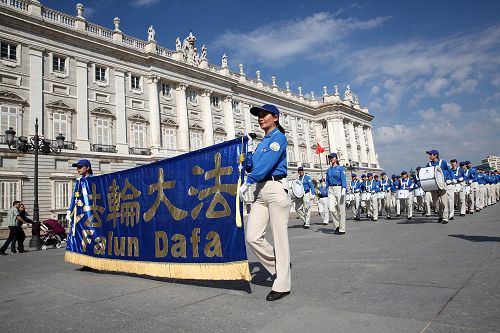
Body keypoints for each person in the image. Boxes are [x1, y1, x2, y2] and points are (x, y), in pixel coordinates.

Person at [239, 103, 291, 302]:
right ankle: (281, 265)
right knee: (252, 236)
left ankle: (282, 284)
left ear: (275, 117)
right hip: (260, 191)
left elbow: (267, 165)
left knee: (279, 238)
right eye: (258, 115)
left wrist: (247, 183)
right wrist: (249, 151)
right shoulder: (262, 143)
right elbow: (253, 167)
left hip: (275, 188)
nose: (260, 118)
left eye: (264, 115)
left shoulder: (279, 138)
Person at [426, 149, 451, 224]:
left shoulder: (442, 162)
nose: (429, 156)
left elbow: (448, 170)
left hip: (442, 184)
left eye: (431, 154)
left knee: (444, 202)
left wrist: (450, 178)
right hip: (433, 186)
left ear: (435, 155)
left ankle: (445, 218)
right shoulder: (429, 164)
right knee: (436, 203)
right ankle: (440, 215)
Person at [325, 152, 347, 234]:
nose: (331, 159)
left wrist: (344, 188)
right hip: (331, 189)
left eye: (332, 157)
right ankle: (337, 225)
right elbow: (327, 180)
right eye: (330, 157)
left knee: (341, 210)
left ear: (336, 158)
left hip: (339, 188)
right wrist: (325, 187)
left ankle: (342, 229)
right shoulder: (328, 170)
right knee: (331, 208)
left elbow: (343, 178)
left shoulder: (341, 168)